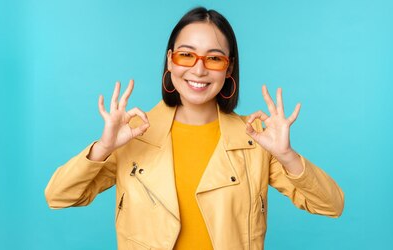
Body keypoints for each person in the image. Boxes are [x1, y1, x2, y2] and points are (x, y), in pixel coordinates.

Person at [45, 6, 344, 250]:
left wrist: (288, 155)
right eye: (186, 54)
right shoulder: (132, 135)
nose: (198, 69)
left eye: (214, 58)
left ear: (228, 68)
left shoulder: (254, 141)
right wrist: (104, 148)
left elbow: (332, 205)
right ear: (170, 62)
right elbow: (58, 196)